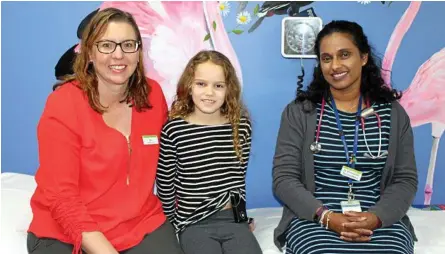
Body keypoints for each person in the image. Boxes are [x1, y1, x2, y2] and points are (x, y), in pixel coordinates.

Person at [27, 8, 183, 254]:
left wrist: (223, 215)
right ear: (89, 52)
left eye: (128, 44)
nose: (118, 55)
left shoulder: (152, 95)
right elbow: (62, 197)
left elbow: (178, 160)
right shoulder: (64, 104)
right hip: (64, 231)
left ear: (138, 51)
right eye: (106, 45)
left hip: (139, 224)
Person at [272, 20, 418, 254]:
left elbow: (404, 180)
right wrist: (327, 218)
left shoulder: (393, 114)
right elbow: (284, 179)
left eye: (345, 54)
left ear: (363, 57)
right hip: (315, 220)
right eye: (327, 58)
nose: (335, 65)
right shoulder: (300, 112)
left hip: (378, 221)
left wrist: (376, 217)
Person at [155, 50, 262, 254]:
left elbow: (237, 181)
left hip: (233, 221)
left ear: (229, 89)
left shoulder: (241, 127)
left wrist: (241, 218)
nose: (209, 92)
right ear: (189, 85)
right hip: (194, 222)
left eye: (218, 86)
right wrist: (171, 228)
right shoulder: (174, 130)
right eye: (201, 84)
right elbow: (166, 186)